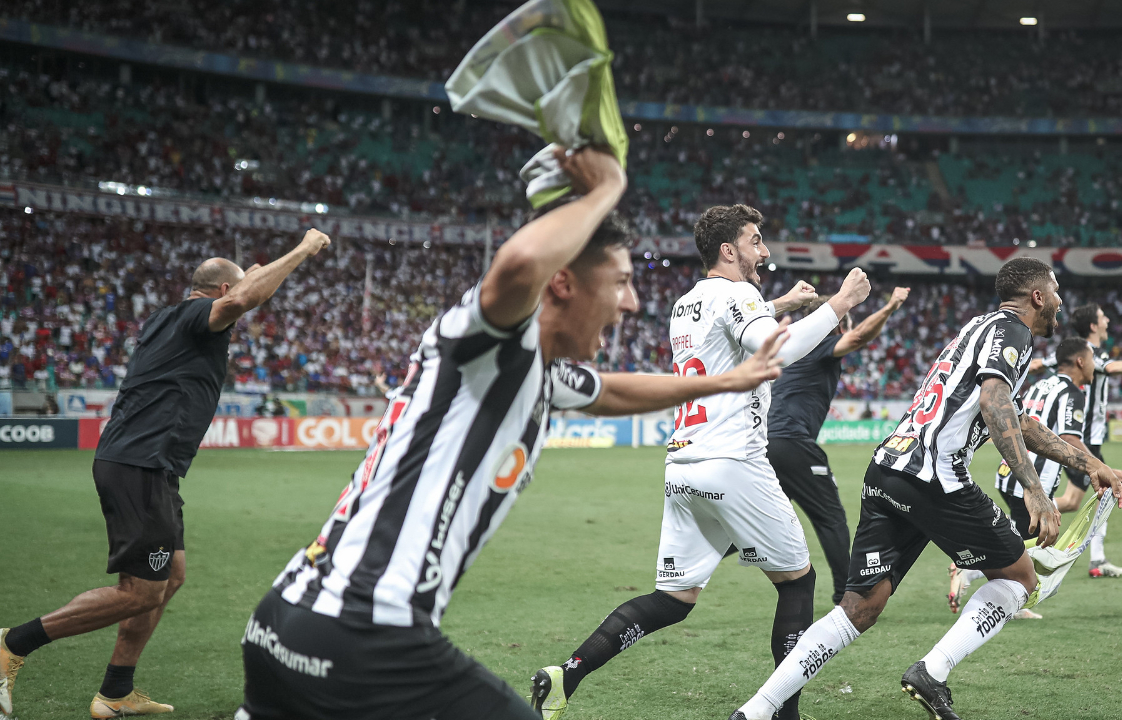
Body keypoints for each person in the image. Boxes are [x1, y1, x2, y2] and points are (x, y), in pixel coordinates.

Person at [236, 149, 795, 720]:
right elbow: (517, 267)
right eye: (621, 281)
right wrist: (605, 191)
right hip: (364, 625)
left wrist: (727, 379)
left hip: (289, 616)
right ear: (562, 283)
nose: (630, 302)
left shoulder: (539, 369)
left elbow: (613, 391)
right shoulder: (490, 342)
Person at [728, 257, 1122, 720]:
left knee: (860, 606)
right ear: (1037, 296)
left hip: (888, 468)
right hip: (935, 476)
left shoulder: (978, 328)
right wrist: (1036, 490)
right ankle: (932, 672)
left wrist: (1091, 464)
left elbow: (1017, 420)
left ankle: (755, 711)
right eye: (1056, 290)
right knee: (1020, 579)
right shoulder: (1015, 332)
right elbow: (994, 401)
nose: (1061, 301)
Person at [531, 204, 872, 720]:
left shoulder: (687, 303)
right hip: (734, 461)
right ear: (729, 250)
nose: (766, 251)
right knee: (798, 582)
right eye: (756, 241)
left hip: (684, 466)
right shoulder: (740, 295)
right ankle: (783, 714)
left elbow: (729, 330)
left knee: (673, 598)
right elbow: (772, 352)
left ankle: (566, 675)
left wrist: (782, 302)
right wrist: (840, 302)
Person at [1, 229, 332, 719]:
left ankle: (115, 692)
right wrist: (304, 250)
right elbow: (243, 296)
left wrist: (262, 267)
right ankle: (12, 642)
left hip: (149, 465)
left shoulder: (170, 318)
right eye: (235, 293)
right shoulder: (202, 316)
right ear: (221, 293)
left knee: (169, 576)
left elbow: (244, 286)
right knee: (142, 590)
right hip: (141, 462)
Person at [767, 286, 910, 605]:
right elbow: (858, 338)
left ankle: (696, 562)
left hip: (769, 442)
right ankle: (847, 596)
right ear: (835, 321)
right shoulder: (818, 343)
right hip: (791, 442)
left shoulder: (794, 348)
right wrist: (890, 307)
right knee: (830, 516)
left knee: (764, 517)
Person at [948, 336, 1106, 620]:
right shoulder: (1072, 393)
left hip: (1010, 469)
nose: (1095, 366)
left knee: (1021, 539)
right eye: (1093, 359)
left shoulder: (1042, 384)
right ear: (1081, 361)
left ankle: (976, 572)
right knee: (1028, 547)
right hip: (1033, 477)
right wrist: (1097, 465)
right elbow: (1068, 437)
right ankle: (986, 581)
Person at [1032, 303, 1122, 578]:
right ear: (1094, 326)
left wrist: (1036, 366)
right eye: (1103, 317)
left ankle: (1033, 516)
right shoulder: (1086, 354)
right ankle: (1094, 558)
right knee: (1107, 489)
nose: (1107, 320)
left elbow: (1040, 364)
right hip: (1082, 441)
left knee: (1075, 500)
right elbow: (1113, 366)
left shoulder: (1070, 351)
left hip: (1085, 438)